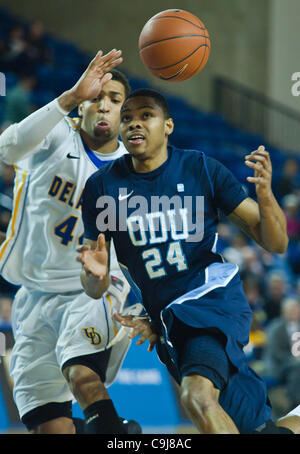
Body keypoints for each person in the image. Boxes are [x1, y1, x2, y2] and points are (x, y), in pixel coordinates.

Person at [78, 88, 295, 434]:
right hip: (169, 321)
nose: (135, 123)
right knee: (259, 430)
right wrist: (97, 276)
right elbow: (93, 286)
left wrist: (266, 197)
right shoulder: (102, 188)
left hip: (211, 302)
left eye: (146, 115)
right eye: (128, 117)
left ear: (168, 126)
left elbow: (277, 242)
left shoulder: (200, 169)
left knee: (197, 397)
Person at [0, 49, 143, 434]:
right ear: (83, 104)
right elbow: (7, 149)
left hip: (94, 291)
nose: (105, 105)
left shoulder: (134, 172)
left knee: (83, 376)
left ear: (125, 115)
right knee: (50, 426)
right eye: (97, 96)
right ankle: (117, 430)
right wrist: (70, 97)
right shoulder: (55, 133)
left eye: (115, 101)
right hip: (32, 294)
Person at [262, 297, 300, 409]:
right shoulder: (275, 327)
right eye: (291, 311)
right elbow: (276, 353)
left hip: (294, 364)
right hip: (278, 365)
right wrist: (295, 360)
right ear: (283, 313)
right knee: (298, 367)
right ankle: (295, 403)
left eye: (296, 310)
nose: (294, 313)